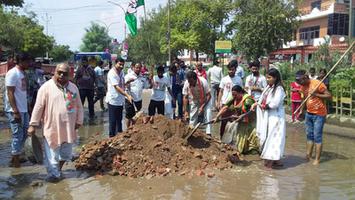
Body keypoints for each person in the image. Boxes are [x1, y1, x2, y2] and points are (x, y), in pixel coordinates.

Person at [27, 63, 84, 183]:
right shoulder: (46, 87)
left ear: (70, 75)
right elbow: (38, 107)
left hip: (69, 129)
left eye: (65, 73)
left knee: (65, 155)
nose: (62, 75)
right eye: (59, 72)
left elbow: (79, 105)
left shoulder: (73, 88)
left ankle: (57, 171)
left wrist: (79, 120)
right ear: (55, 72)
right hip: (52, 127)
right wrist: (33, 124)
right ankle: (55, 177)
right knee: (52, 156)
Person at [251, 68, 286, 169]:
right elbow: (262, 99)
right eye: (266, 77)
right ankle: (276, 160)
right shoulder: (269, 87)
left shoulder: (279, 89)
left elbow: (274, 104)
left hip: (276, 118)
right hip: (268, 117)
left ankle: (270, 161)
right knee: (269, 136)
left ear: (275, 78)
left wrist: (263, 106)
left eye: (269, 77)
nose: (267, 79)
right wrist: (256, 104)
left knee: (274, 138)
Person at [296, 70, 332, 165]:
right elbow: (304, 99)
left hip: (319, 114)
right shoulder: (302, 86)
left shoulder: (316, 83)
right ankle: (308, 155)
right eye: (298, 81)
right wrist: (301, 111)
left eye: (300, 81)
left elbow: (329, 96)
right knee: (309, 135)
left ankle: (317, 159)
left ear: (305, 77)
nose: (299, 83)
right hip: (309, 113)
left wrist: (316, 94)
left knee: (317, 137)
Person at [213, 85, 259, 158]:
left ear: (240, 93)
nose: (234, 96)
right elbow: (225, 107)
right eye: (233, 94)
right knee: (240, 142)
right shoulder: (233, 97)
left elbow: (251, 112)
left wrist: (240, 116)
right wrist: (217, 117)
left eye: (235, 95)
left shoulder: (247, 100)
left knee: (253, 141)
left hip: (251, 121)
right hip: (242, 121)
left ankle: (255, 152)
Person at [4, 53, 32, 167]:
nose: (29, 64)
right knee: (17, 135)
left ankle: (15, 156)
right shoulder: (12, 73)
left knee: (25, 133)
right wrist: (15, 111)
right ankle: (16, 162)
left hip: (23, 108)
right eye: (28, 62)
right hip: (15, 110)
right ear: (21, 62)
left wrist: (27, 106)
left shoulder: (22, 73)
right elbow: (10, 92)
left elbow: (22, 92)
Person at [106, 58, 133, 137]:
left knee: (119, 120)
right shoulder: (112, 73)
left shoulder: (121, 73)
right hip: (113, 100)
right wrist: (127, 95)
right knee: (113, 121)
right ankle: (111, 137)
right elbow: (116, 87)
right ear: (115, 64)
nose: (121, 66)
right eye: (120, 64)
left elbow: (121, 84)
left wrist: (127, 82)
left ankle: (119, 136)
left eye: (122, 65)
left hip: (120, 100)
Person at [217, 60, 243, 137]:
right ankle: (221, 138)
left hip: (235, 104)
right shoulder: (224, 79)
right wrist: (218, 102)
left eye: (232, 70)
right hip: (225, 103)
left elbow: (241, 92)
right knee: (223, 121)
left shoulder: (239, 79)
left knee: (233, 121)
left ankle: (231, 139)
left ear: (235, 70)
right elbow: (221, 91)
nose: (230, 71)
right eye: (229, 69)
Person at [183, 71, 212, 135]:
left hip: (205, 99)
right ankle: (191, 131)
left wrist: (202, 106)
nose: (190, 83)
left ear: (195, 79)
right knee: (192, 116)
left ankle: (208, 133)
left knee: (208, 113)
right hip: (195, 99)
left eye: (191, 81)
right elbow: (185, 97)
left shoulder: (203, 82)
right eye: (189, 81)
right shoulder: (187, 83)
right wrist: (185, 111)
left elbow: (209, 95)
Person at [124, 63, 149, 127]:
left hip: (138, 99)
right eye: (136, 67)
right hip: (129, 98)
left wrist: (150, 80)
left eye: (139, 68)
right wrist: (128, 82)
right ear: (133, 67)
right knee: (129, 116)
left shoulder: (142, 77)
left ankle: (133, 129)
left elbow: (147, 86)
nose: (138, 69)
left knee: (137, 116)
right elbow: (123, 86)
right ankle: (128, 129)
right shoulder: (128, 76)